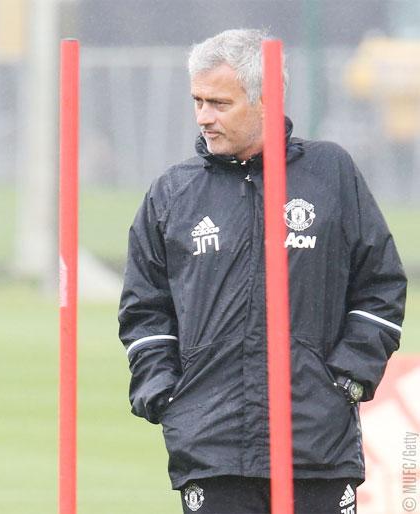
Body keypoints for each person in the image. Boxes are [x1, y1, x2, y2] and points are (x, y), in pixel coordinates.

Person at [117, 28, 407, 514]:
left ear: (265, 99)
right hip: (211, 449)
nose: (204, 117)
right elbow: (144, 308)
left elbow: (380, 286)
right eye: (198, 101)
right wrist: (165, 393)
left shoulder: (331, 173)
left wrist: (347, 378)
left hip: (316, 445)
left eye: (219, 103)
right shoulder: (172, 194)